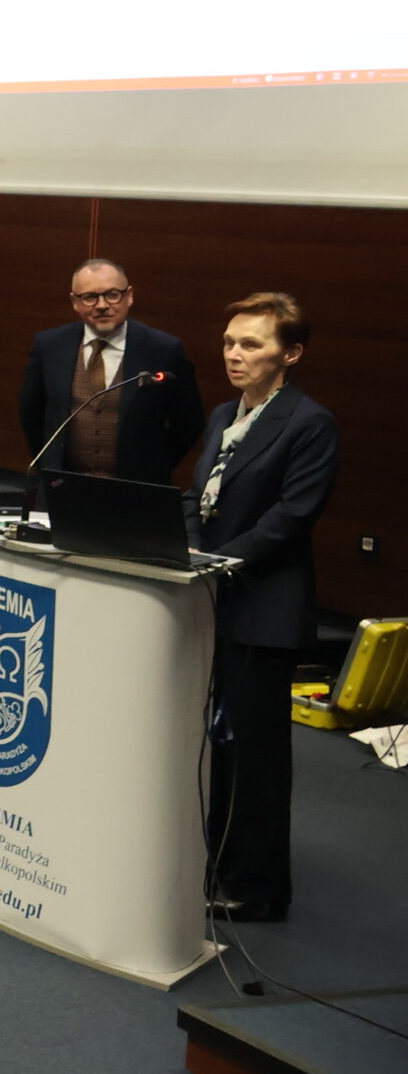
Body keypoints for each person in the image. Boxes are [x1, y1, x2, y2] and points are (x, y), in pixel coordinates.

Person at [187, 292, 334, 924]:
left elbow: (292, 517)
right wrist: (189, 546)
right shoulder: (225, 413)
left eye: (252, 344)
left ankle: (257, 888)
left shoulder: (308, 422)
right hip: (210, 597)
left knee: (254, 753)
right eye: (228, 342)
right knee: (215, 744)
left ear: (290, 353)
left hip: (263, 605)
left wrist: (221, 562)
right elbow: (200, 495)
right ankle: (216, 863)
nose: (235, 355)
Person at [19, 257, 204, 483]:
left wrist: (153, 468)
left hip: (136, 492)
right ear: (75, 302)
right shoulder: (50, 346)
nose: (102, 305)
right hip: (62, 486)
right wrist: (49, 466)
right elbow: (31, 413)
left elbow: (189, 422)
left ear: (129, 296)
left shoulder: (163, 350)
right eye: (89, 297)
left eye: (112, 294)